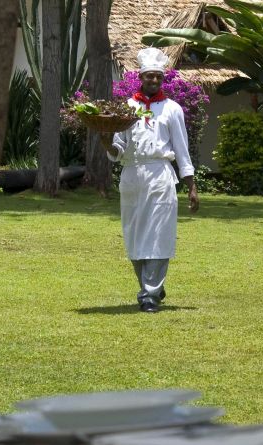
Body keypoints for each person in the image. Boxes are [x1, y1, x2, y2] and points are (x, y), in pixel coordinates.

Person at [97, 47, 199, 313]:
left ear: (162, 79)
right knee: (135, 234)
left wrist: (191, 186)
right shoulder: (127, 108)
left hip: (160, 175)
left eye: (157, 77)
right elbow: (118, 150)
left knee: (159, 233)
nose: (153, 81)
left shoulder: (172, 109)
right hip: (132, 176)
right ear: (141, 78)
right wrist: (108, 143)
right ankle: (150, 283)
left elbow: (182, 150)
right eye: (149, 77)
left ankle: (150, 294)